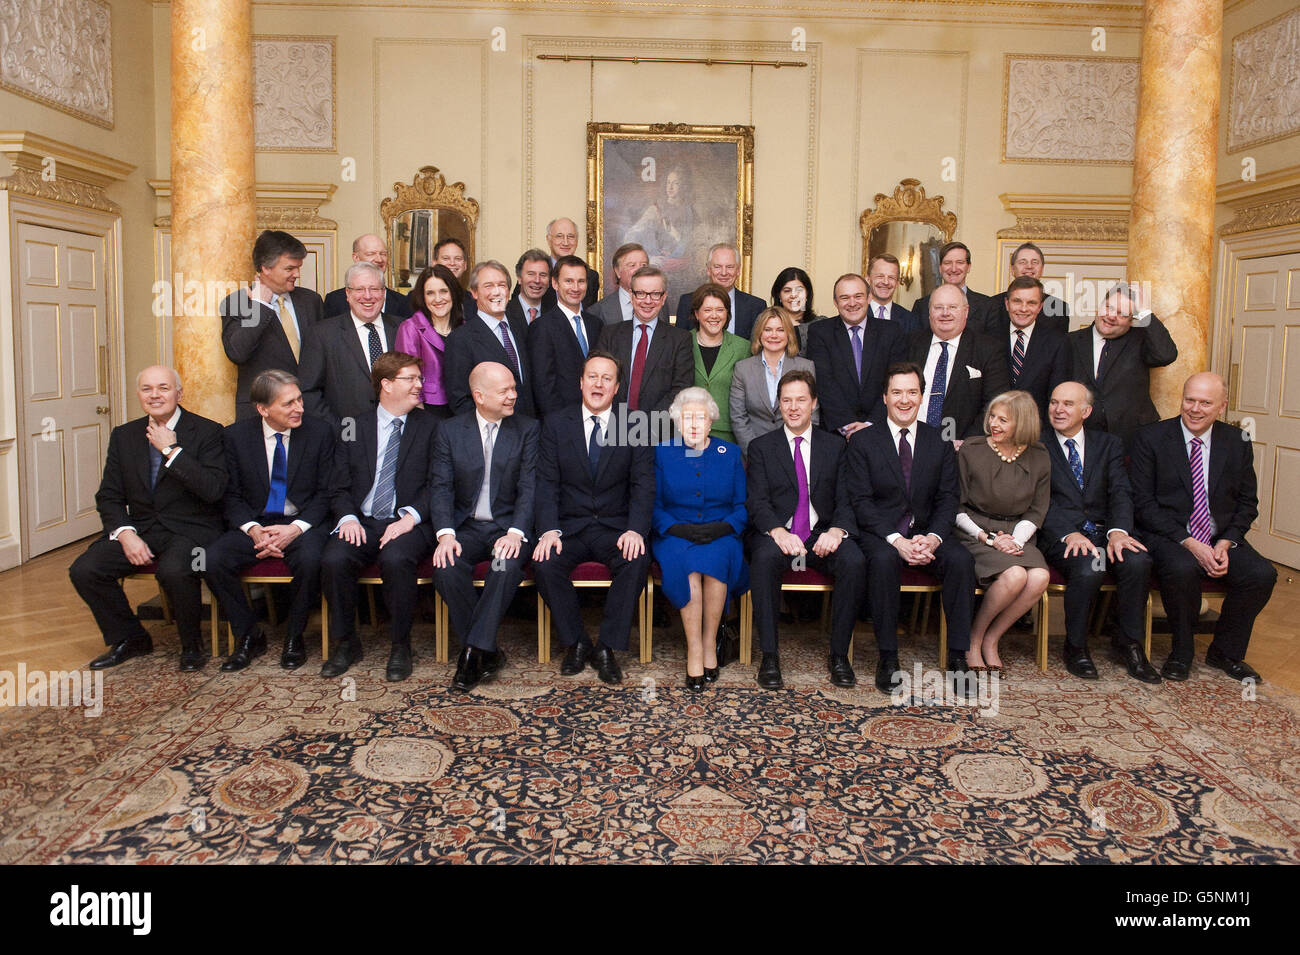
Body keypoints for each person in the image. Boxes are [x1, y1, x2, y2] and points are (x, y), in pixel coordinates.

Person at [71, 366, 226, 671]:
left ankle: (192, 645)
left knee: (174, 570)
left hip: (191, 529)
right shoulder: (124, 436)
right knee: (85, 569)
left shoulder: (208, 431)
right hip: (141, 528)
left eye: (163, 388)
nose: (155, 395)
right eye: (147, 389)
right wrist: (125, 533)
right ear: (139, 394)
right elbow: (109, 495)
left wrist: (171, 449)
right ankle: (131, 637)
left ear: (179, 393)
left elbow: (214, 491)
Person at [1130, 372, 1277, 683]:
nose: (1195, 409)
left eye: (1205, 403)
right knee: (1183, 568)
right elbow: (1143, 505)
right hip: (1169, 535)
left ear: (1221, 407)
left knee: (1262, 574)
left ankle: (1225, 651)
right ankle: (1181, 652)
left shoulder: (1237, 441)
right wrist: (1190, 543)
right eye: (1189, 400)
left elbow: (1247, 503)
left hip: (1218, 535)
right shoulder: (1151, 438)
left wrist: (1227, 542)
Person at [845, 362, 977, 692]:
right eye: (897, 393)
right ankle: (888, 657)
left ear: (921, 397)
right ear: (885, 398)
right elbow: (860, 501)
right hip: (881, 533)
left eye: (912, 393)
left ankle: (958, 656)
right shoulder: (863, 441)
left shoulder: (939, 441)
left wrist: (932, 538)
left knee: (961, 561)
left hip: (927, 531)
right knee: (884, 560)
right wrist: (896, 541)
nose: (905, 400)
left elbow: (949, 497)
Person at [533, 351, 653, 684]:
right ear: (581, 382)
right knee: (543, 563)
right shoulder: (557, 423)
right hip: (568, 528)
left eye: (607, 378)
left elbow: (643, 483)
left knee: (636, 560)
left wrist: (635, 530)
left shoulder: (633, 423)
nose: (598, 384)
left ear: (617, 388)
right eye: (592, 377)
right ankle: (577, 642)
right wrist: (547, 531)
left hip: (615, 528)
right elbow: (546, 483)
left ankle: (607, 648)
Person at [204, 370, 336, 672]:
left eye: (300, 400)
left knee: (313, 558)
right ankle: (249, 635)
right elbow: (231, 496)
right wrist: (253, 530)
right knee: (212, 560)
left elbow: (327, 493)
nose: (299, 408)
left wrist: (294, 529)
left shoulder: (320, 433)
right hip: (256, 524)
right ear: (263, 409)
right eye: (288, 403)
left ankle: (295, 637)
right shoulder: (235, 437)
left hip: (302, 525)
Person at [319, 353, 439, 681]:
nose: (419, 385)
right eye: (410, 379)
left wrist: (409, 518)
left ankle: (400, 645)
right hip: (364, 520)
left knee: (397, 558)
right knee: (333, 558)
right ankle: (346, 643)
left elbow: (438, 484)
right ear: (386, 385)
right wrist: (347, 519)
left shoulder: (432, 427)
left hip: (409, 522)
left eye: (419, 379)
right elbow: (338, 485)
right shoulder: (352, 426)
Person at [746, 370, 865, 689]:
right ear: (779, 406)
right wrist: (776, 530)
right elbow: (756, 501)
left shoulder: (836, 446)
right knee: (763, 559)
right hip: (781, 533)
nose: (794, 407)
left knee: (854, 561)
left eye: (801, 399)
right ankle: (770, 656)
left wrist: (838, 530)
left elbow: (847, 497)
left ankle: (840, 656)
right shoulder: (761, 447)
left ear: (813, 403)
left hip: (821, 533)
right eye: (786, 400)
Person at [431, 362, 539, 693]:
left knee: (504, 566)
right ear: (479, 396)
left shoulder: (527, 429)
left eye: (514, 388)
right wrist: (445, 534)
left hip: (506, 528)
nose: (513, 396)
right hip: (465, 528)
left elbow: (529, 487)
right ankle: (485, 650)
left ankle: (470, 654)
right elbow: (441, 487)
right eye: (505, 390)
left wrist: (516, 532)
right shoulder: (450, 430)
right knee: (446, 566)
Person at [1041, 381, 1159, 683]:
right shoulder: (1036, 444)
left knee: (1138, 562)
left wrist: (1118, 532)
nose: (1058, 409)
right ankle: (1076, 646)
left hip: (1105, 532)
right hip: (1060, 535)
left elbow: (1121, 491)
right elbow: (1037, 498)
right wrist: (1069, 533)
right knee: (1089, 568)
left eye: (1068, 403)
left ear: (1086, 411)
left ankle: (1129, 644)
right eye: (1054, 402)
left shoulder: (1109, 444)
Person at [651, 387, 748, 691]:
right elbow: (652, 505)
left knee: (717, 564)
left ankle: (709, 644)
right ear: (678, 423)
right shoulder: (662, 452)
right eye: (687, 418)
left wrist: (723, 528)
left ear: (710, 422)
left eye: (700, 418)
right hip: (675, 534)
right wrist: (677, 529)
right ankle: (694, 648)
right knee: (689, 569)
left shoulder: (729, 453)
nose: (693, 424)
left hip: (722, 532)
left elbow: (742, 506)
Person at [954, 390, 1051, 672]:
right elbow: (955, 507)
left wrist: (1014, 540)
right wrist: (990, 539)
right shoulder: (972, 450)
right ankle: (973, 640)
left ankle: (992, 639)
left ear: (1022, 424)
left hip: (1017, 533)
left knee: (1039, 577)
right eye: (992, 417)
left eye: (1003, 420)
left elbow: (1036, 510)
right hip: (975, 530)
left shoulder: (1040, 456)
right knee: (1015, 575)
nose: (994, 424)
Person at [220, 230, 324, 419]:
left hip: (310, 411)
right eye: (289, 269)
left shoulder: (311, 300)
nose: (297, 274)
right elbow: (238, 352)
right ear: (265, 268)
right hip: (262, 412)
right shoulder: (237, 302)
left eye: (298, 268)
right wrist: (260, 306)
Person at [1068, 281, 1178, 450]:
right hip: (1082, 438)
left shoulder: (1140, 341)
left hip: (1132, 440)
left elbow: (1166, 355)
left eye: (1122, 313)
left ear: (1132, 320)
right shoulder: (1071, 341)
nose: (1111, 316)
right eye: (1109, 307)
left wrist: (1144, 312)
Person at [595, 265, 693, 443]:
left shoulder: (680, 339)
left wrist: (645, 426)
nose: (647, 301)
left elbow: (681, 389)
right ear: (631, 296)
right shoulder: (609, 334)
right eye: (641, 293)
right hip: (613, 430)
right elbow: (599, 380)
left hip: (659, 434)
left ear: (663, 298)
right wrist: (620, 423)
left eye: (655, 294)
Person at [299, 261, 402, 427]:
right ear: (347, 294)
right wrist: (340, 431)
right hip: (343, 436)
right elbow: (308, 392)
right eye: (359, 289)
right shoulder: (321, 334)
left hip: (396, 433)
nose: (367, 296)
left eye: (374, 289)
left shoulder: (403, 329)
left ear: (383, 293)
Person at [804, 272, 908, 436]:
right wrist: (848, 426)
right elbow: (824, 382)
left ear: (868, 298)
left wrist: (871, 424)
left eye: (858, 296)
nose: (852, 303)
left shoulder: (891, 331)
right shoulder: (820, 332)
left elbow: (896, 382)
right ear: (835, 303)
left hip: (882, 430)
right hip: (836, 433)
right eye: (844, 298)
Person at [907, 283, 1011, 445]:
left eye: (952, 307)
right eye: (938, 307)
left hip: (962, 449)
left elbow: (996, 403)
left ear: (966, 311)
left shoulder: (988, 350)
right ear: (929, 313)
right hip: (911, 444)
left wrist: (968, 442)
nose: (945, 313)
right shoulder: (910, 344)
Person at [444, 260, 535, 418]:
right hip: (492, 434)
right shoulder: (461, 339)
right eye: (488, 286)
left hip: (529, 429)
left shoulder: (520, 326)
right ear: (474, 293)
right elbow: (459, 399)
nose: (496, 292)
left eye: (502, 285)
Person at [729, 306, 817, 455]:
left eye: (780, 330)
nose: (774, 335)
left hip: (796, 451)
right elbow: (738, 417)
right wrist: (755, 451)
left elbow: (812, 413)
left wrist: (799, 448)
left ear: (789, 334)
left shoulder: (805, 366)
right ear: (759, 334)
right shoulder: (743, 368)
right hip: (755, 451)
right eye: (768, 329)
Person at [528, 255, 603, 418]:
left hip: (597, 418)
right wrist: (562, 425)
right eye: (568, 281)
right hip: (561, 423)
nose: (575, 288)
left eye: (581, 281)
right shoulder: (541, 328)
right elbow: (544, 386)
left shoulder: (596, 324)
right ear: (555, 284)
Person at [995, 276, 1069, 425]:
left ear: (1040, 307)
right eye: (1017, 301)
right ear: (1007, 304)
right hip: (993, 429)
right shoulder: (989, 339)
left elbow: (1056, 395)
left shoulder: (1057, 343)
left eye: (1031, 303)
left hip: (1037, 431)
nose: (1023, 308)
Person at [393, 263, 463, 416]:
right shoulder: (410, 328)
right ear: (422, 297)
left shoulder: (464, 327)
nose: (438, 299)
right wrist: (421, 418)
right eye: (430, 293)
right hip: (427, 408)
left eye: (443, 291)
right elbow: (407, 380)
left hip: (462, 408)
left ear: (453, 293)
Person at [690, 283, 751, 444]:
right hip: (688, 431)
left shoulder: (743, 347)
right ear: (697, 314)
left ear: (727, 313)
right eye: (707, 310)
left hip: (727, 434)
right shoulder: (682, 343)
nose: (714, 316)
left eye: (720, 310)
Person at [675, 244, 764, 339]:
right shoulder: (687, 302)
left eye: (730, 267)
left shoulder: (756, 306)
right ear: (708, 269)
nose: (724, 273)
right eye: (717, 267)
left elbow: (758, 347)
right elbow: (679, 343)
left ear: (738, 270)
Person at [983, 242, 1069, 336]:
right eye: (1023, 262)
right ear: (1012, 269)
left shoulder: (1059, 308)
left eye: (1035, 262)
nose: (1029, 266)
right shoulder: (991, 305)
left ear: (1042, 269)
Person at [323, 233, 412, 320]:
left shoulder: (403, 302)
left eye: (383, 254)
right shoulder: (334, 300)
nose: (379, 259)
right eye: (371, 254)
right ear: (356, 257)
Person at [911, 241, 992, 334]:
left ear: (968, 267)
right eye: (947, 263)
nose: (953, 269)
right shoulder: (921, 306)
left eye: (960, 262)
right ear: (940, 268)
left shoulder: (988, 306)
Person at [588, 243, 658, 326]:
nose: (639, 270)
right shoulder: (598, 311)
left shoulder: (659, 305)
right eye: (632, 265)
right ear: (617, 271)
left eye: (643, 265)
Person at [543, 217, 599, 306]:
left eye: (571, 236)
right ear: (548, 240)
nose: (565, 242)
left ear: (577, 240)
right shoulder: (536, 275)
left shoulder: (591, 277)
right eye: (559, 236)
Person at [865, 254, 921, 337]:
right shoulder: (856, 314)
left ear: (897, 283)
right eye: (880, 276)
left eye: (891, 277)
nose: (885, 282)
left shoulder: (910, 320)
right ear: (868, 279)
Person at [769, 266, 823, 348]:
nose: (793, 295)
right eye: (787, 291)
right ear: (779, 295)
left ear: (807, 294)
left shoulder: (822, 324)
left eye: (799, 290)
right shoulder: (765, 322)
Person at [433, 237, 477, 316]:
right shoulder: (417, 297)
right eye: (446, 258)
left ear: (465, 265)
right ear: (434, 263)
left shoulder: (472, 300)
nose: (452, 263)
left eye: (458, 258)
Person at [509, 249, 551, 326]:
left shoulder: (554, 315)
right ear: (519, 278)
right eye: (531, 274)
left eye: (543, 275)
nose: (537, 280)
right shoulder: (504, 313)